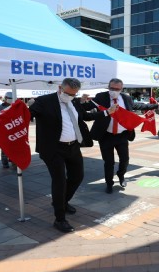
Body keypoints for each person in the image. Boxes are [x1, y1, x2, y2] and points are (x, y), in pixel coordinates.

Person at [28, 78, 116, 233]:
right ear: (60, 88)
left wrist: (107, 112)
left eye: (74, 95)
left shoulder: (74, 102)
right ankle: (59, 219)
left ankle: (61, 202)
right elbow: (26, 116)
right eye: (68, 93)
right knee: (60, 181)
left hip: (73, 146)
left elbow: (86, 117)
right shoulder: (43, 101)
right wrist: (23, 109)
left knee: (78, 176)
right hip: (53, 149)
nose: (71, 97)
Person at [88, 78, 159, 194]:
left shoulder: (126, 98)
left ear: (121, 89)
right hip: (106, 135)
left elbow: (138, 106)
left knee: (125, 160)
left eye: (117, 89)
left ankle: (121, 175)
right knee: (109, 162)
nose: (114, 91)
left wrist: (155, 106)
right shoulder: (101, 97)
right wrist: (82, 101)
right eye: (112, 88)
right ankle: (109, 183)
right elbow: (89, 105)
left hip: (122, 135)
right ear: (108, 87)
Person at [0, 92, 14, 169]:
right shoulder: (0, 107)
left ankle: (14, 162)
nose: (10, 100)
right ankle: (5, 163)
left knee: (14, 148)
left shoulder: (15, 106)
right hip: (4, 130)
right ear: (5, 98)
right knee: (4, 148)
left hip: (13, 129)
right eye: (9, 99)